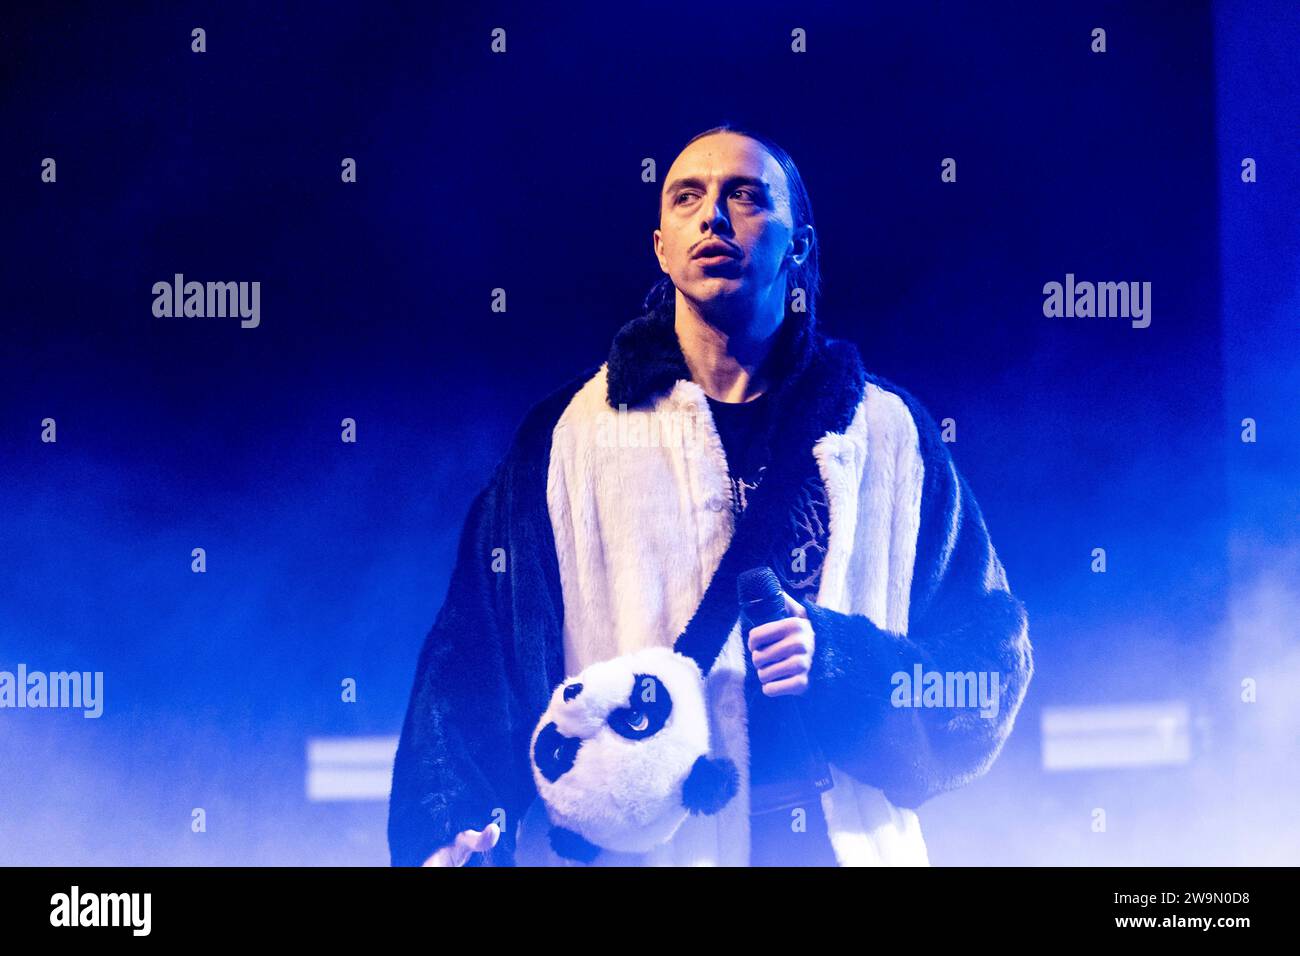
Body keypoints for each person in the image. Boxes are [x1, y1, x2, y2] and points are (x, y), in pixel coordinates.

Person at [388, 124, 1034, 867]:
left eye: (746, 196)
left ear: (799, 245)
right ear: (660, 246)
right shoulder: (570, 438)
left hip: (841, 845)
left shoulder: (888, 435)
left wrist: (844, 666)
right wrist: (454, 820)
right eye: (687, 196)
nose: (714, 216)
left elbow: (987, 661)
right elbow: (476, 647)